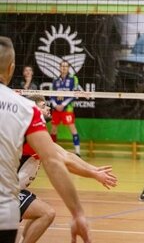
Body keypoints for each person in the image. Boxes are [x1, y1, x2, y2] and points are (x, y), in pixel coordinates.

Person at [0, 36, 91, 243]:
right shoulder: (26, 110)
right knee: (46, 212)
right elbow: (54, 160)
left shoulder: (32, 107)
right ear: (12, 68)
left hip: (10, 200)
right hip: (5, 208)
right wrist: (77, 212)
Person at [19, 94, 117, 243]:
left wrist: (95, 170)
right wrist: (93, 175)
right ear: (33, 110)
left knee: (39, 209)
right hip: (5, 192)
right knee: (46, 213)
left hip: (13, 189)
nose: (48, 108)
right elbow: (64, 162)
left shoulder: (36, 134)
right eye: (43, 106)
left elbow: (67, 155)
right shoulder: (29, 136)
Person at [50, 60, 83, 155]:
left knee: (72, 128)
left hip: (67, 108)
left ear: (68, 68)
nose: (64, 68)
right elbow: (51, 94)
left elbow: (74, 94)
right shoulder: (55, 80)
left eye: (66, 66)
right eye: (62, 66)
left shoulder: (73, 79)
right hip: (56, 109)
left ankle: (77, 152)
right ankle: (52, 151)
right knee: (53, 130)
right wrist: (55, 105)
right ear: (59, 68)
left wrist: (63, 104)